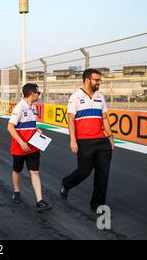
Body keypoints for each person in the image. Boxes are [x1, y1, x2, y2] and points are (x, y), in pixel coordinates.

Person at [60, 68, 114, 212]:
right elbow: (71, 120)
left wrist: (110, 136)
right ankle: (67, 183)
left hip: (102, 141)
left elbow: (104, 118)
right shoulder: (75, 97)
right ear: (87, 80)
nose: (99, 82)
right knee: (84, 171)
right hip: (84, 141)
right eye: (97, 80)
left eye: (100, 80)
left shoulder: (100, 96)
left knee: (103, 175)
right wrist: (73, 140)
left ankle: (97, 205)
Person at [7, 83, 51, 212]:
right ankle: (16, 191)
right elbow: (10, 127)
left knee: (35, 171)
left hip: (33, 146)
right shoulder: (19, 107)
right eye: (38, 93)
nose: (39, 95)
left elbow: (31, 124)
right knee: (17, 169)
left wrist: (37, 129)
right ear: (32, 93)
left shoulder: (34, 107)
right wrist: (21, 142)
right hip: (19, 146)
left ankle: (39, 201)